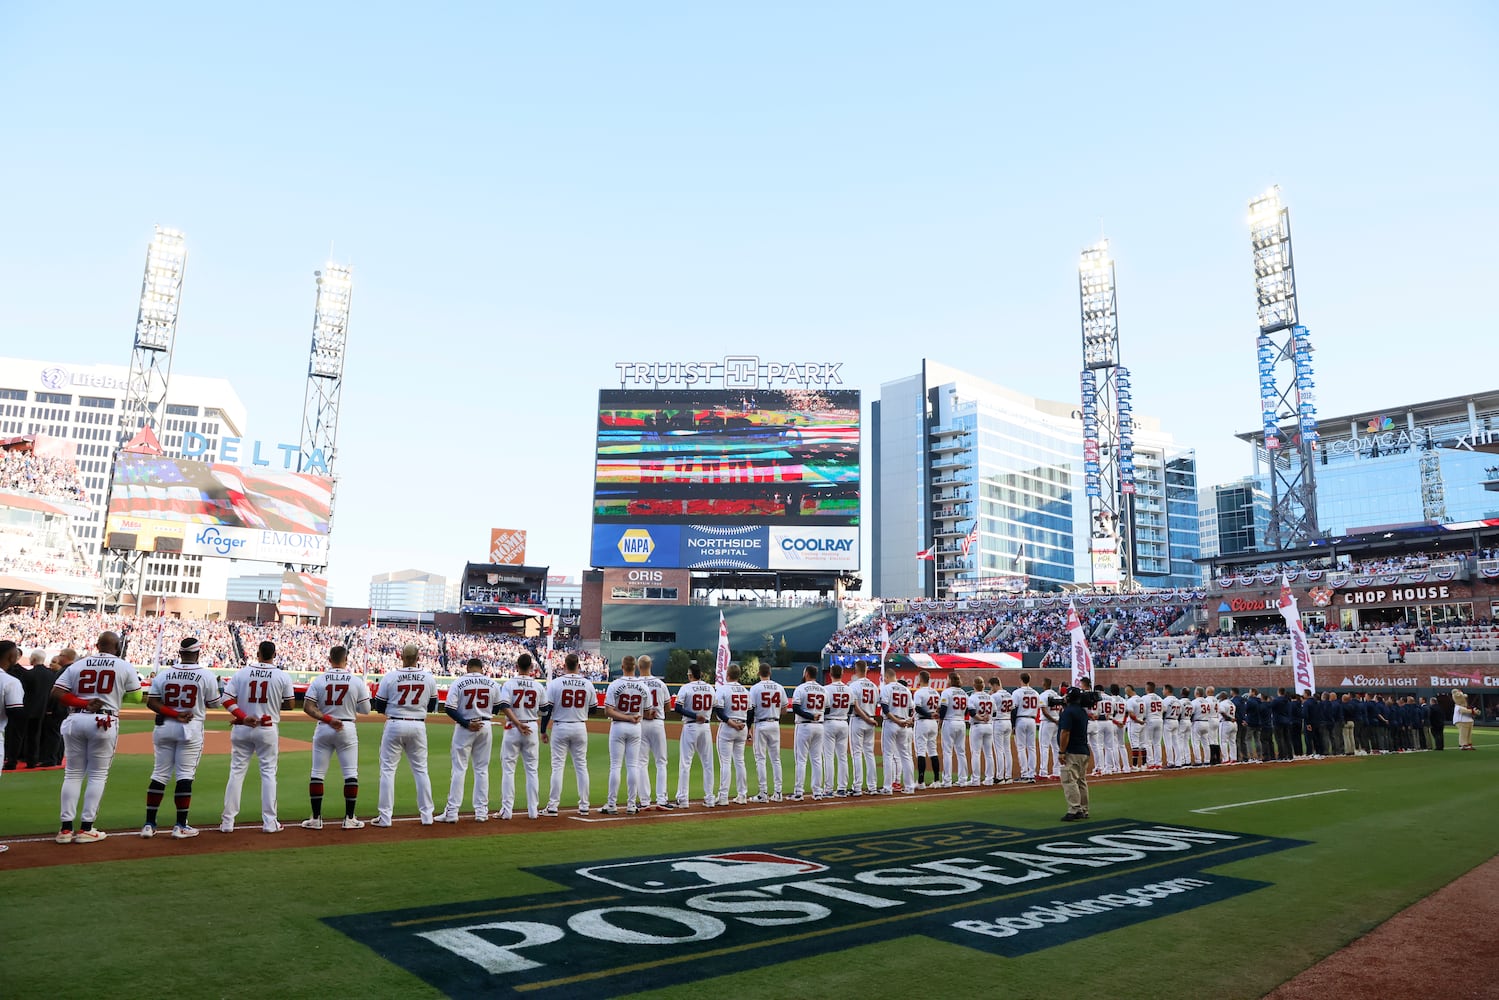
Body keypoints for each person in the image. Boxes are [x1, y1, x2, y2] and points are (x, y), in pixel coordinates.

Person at [52, 631, 142, 844]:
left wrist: (84, 702)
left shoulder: (78, 664)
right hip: (104, 720)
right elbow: (137, 696)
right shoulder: (123, 665)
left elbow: (56, 692)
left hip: (75, 718)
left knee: (72, 773)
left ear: (97, 644)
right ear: (117, 646)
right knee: (97, 775)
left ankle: (65, 829)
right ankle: (86, 827)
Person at [142, 637, 235, 839]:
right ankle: (180, 825)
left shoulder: (165, 674)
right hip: (190, 727)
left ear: (180, 653)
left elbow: (151, 702)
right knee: (185, 775)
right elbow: (214, 704)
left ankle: (149, 824)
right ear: (198, 653)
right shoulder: (206, 675)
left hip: (164, 725)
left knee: (159, 774)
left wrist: (173, 712)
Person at [220, 640, 297, 834]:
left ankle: (227, 822)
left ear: (257, 654)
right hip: (267, 726)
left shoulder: (242, 673)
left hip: (243, 726)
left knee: (236, 772)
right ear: (274, 654)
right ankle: (270, 822)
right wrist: (272, 704)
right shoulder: (281, 675)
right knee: (268, 773)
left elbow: (226, 699)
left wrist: (243, 716)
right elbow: (290, 704)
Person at [300, 645, 371, 830]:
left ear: (329, 659)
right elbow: (366, 710)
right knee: (350, 774)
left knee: (317, 773)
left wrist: (328, 717)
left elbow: (308, 707)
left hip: (324, 725)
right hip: (347, 726)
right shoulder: (355, 681)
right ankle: (349, 818)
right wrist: (348, 706)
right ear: (346, 660)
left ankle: (316, 819)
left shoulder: (319, 680)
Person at [372, 643, 438, 827]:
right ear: (418, 657)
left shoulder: (391, 677)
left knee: (387, 771)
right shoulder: (428, 677)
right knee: (421, 770)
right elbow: (432, 706)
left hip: (394, 722)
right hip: (417, 724)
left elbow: (379, 706)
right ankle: (427, 816)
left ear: (401, 656)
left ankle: (385, 818)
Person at [440, 656, 501, 823]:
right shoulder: (492, 683)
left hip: (464, 727)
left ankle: (452, 813)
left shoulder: (459, 682)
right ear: (482, 668)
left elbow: (449, 708)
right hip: (485, 725)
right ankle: (481, 812)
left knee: (459, 769)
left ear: (468, 668)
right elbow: (497, 707)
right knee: (482, 769)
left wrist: (467, 723)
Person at [496, 653, 550, 820]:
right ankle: (533, 811)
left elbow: (504, 706)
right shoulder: (538, 686)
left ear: (516, 666)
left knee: (508, 771)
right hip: (532, 726)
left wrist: (518, 723)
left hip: (513, 727)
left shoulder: (509, 684)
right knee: (532, 771)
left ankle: (507, 811)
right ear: (532, 668)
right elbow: (545, 710)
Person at [541, 653, 594, 816]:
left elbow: (547, 710)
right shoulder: (587, 683)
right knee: (581, 766)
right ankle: (584, 805)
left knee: (557, 767)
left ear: (564, 665)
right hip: (579, 726)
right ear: (578, 665)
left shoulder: (555, 684)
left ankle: (553, 806)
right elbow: (592, 709)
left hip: (560, 726)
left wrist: (543, 730)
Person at [601, 658, 647, 815]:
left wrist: (626, 717)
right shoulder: (643, 685)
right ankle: (631, 804)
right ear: (634, 667)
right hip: (635, 727)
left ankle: (612, 804)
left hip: (619, 726)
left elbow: (608, 711)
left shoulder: (615, 685)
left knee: (615, 766)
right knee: (633, 766)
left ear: (622, 667)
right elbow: (647, 712)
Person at [674, 663, 716, 808]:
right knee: (708, 763)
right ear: (702, 674)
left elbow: (678, 707)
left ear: (691, 674)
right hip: (706, 727)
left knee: (685, 763)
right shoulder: (710, 688)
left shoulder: (686, 688)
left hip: (691, 726)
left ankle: (683, 799)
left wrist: (694, 715)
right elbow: (716, 707)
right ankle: (710, 798)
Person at [635, 655, 674, 811]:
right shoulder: (660, 683)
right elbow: (668, 707)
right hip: (658, 723)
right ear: (651, 665)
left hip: (640, 723)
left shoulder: (636, 683)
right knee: (661, 762)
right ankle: (662, 799)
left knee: (641, 763)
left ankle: (644, 801)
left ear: (639, 666)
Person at [748, 663, 787, 802]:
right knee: (776, 759)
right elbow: (784, 709)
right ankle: (778, 792)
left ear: (759, 673)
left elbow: (751, 710)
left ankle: (763, 793)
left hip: (761, 723)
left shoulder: (755, 688)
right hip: (775, 723)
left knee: (761, 759)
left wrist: (748, 728)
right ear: (770, 673)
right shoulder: (779, 687)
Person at [713, 663, 750, 805]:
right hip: (743, 726)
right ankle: (742, 795)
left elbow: (719, 711)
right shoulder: (745, 691)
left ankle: (723, 797)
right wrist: (748, 727)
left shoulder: (722, 689)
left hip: (728, 727)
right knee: (740, 762)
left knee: (726, 763)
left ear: (727, 675)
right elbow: (750, 711)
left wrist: (732, 723)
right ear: (739, 676)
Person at [789, 665, 826, 801]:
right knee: (817, 760)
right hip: (820, 726)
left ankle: (799, 792)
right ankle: (817, 792)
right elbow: (826, 710)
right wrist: (817, 715)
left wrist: (810, 716)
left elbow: (796, 708)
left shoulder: (800, 688)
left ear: (806, 674)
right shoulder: (823, 689)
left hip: (804, 726)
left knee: (801, 760)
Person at [1056, 686, 1092, 822]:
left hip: (1073, 751)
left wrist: (1062, 751)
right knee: (1081, 781)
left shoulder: (1068, 712)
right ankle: (1083, 809)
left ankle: (1074, 809)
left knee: (1069, 780)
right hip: (1083, 750)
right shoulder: (1082, 711)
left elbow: (1065, 732)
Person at [879, 671, 915, 795]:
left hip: (891, 723)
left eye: (885, 678)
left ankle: (888, 788)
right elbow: (911, 711)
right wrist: (906, 721)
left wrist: (897, 721)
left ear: (887, 677)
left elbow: (885, 708)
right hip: (904, 725)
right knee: (905, 755)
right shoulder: (906, 690)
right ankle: (910, 786)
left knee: (888, 755)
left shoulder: (886, 688)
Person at [846, 663, 880, 795]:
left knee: (857, 754)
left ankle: (857, 787)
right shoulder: (874, 686)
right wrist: (869, 718)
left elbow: (853, 706)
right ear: (867, 670)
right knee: (869, 754)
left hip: (859, 720)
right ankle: (872, 787)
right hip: (871, 720)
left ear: (856, 670)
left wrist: (866, 718)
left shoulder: (853, 685)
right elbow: (877, 704)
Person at [39, 647, 76, 767]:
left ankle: (50, 759)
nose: (58, 658)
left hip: (58, 707)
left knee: (53, 733)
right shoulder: (73, 669)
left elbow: (57, 692)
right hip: (66, 707)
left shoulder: (65, 671)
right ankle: (57, 758)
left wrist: (50, 708)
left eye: (60, 655)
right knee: (59, 734)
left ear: (65, 657)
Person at [821, 664, 852, 797]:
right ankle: (842, 788)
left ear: (830, 674)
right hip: (844, 722)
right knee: (842, 757)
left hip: (829, 722)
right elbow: (850, 709)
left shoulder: (825, 689)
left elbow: (824, 709)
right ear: (843, 673)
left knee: (828, 757)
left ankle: (828, 789)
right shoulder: (849, 689)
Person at [937, 671, 969, 787]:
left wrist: (940, 721)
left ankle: (947, 781)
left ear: (950, 680)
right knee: (961, 752)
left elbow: (944, 708)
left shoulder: (947, 692)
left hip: (949, 722)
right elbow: (967, 711)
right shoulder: (964, 693)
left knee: (947, 752)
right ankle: (963, 779)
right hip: (961, 722)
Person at [966, 678, 996, 786]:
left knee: (976, 753)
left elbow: (972, 713)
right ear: (983, 686)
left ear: (974, 686)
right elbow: (995, 713)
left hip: (977, 726)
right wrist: (987, 718)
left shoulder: (972, 697)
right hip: (989, 726)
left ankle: (975, 780)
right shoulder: (990, 697)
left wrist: (981, 718)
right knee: (989, 754)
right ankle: (989, 779)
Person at [1012, 673, 1040, 783]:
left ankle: (1024, 773)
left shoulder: (1017, 692)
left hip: (1021, 719)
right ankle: (1032, 773)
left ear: (1021, 680)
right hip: (1032, 719)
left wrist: (1013, 724)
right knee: (1032, 747)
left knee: (1021, 747)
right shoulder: (1036, 693)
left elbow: (1014, 709)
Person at [1037, 677, 1063, 781]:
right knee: (1056, 748)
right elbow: (1061, 709)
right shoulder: (1056, 695)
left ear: (1044, 684)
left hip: (1047, 723)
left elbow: (1044, 711)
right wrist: (1057, 720)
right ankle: (1057, 772)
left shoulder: (1043, 695)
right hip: (1057, 722)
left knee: (1044, 747)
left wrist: (1053, 719)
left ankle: (1043, 772)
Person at [993, 680, 1015, 783]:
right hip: (1008, 721)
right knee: (1007, 750)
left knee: (999, 750)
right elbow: (1013, 708)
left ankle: (1000, 776)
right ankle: (1009, 776)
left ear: (994, 685)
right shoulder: (1009, 694)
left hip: (998, 722)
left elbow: (992, 711)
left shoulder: (995, 696)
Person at [1141, 681, 1165, 770]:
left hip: (1150, 720)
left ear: (1147, 688)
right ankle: (1158, 763)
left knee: (1148, 743)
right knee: (1157, 743)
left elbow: (1142, 711)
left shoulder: (1144, 698)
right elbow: (1164, 709)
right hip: (1159, 720)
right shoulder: (1159, 698)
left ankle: (1150, 763)